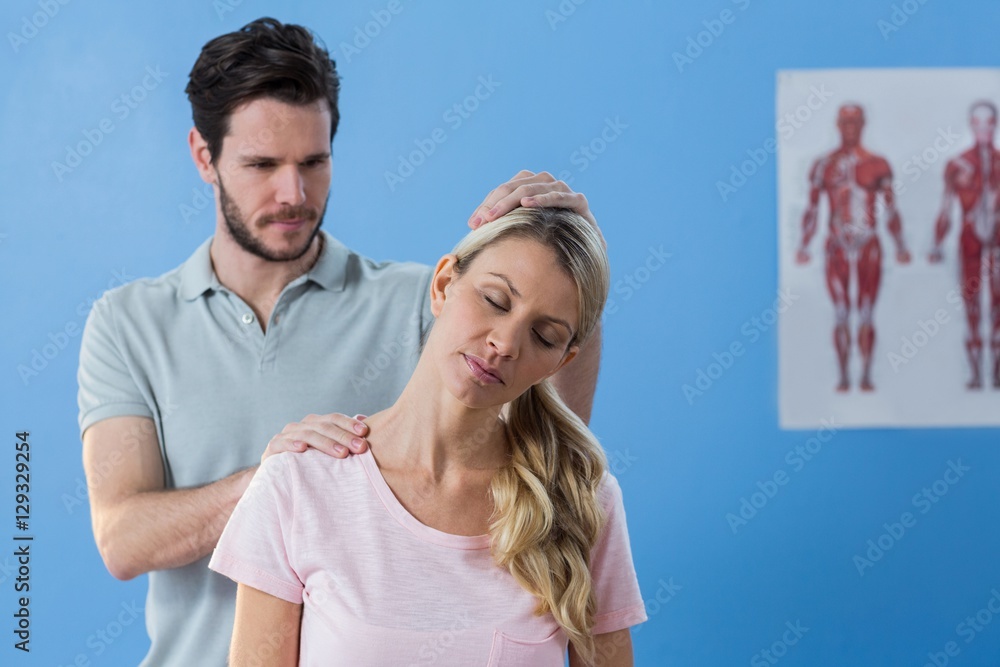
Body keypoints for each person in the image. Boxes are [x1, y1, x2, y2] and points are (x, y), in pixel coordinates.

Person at [77, 18, 604, 667]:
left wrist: (572, 281)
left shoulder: (421, 302)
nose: (293, 194)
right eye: (262, 165)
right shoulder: (129, 323)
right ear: (203, 156)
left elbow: (550, 442)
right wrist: (279, 483)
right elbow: (122, 538)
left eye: (314, 163)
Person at [209, 207, 645, 666]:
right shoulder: (298, 485)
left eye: (543, 335)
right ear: (442, 286)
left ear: (560, 361)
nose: (506, 343)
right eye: (496, 300)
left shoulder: (580, 501)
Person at [795, 104, 911, 392]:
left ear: (863, 124)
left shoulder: (877, 164)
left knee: (867, 311)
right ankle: (844, 375)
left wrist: (900, 245)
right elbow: (812, 209)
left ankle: (867, 375)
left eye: (855, 122)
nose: (850, 128)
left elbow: (891, 208)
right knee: (841, 312)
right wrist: (803, 244)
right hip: (836, 244)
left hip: (868, 244)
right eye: (845, 122)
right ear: (837, 124)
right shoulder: (823, 165)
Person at [929, 100, 1000, 388]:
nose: (984, 130)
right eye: (978, 124)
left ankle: (995, 371)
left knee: (998, 306)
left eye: (989, 124)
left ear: (995, 125)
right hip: (969, 241)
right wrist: (936, 244)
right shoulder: (957, 165)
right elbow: (946, 209)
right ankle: (973, 372)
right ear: (971, 125)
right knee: (971, 305)